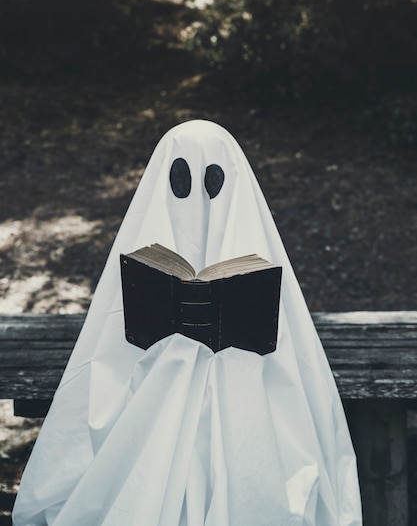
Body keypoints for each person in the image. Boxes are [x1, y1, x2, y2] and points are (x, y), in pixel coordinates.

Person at [13, 120, 362, 525]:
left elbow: (294, 383)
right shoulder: (137, 259)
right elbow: (103, 369)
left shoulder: (258, 257)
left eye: (212, 182)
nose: (197, 198)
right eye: (180, 181)